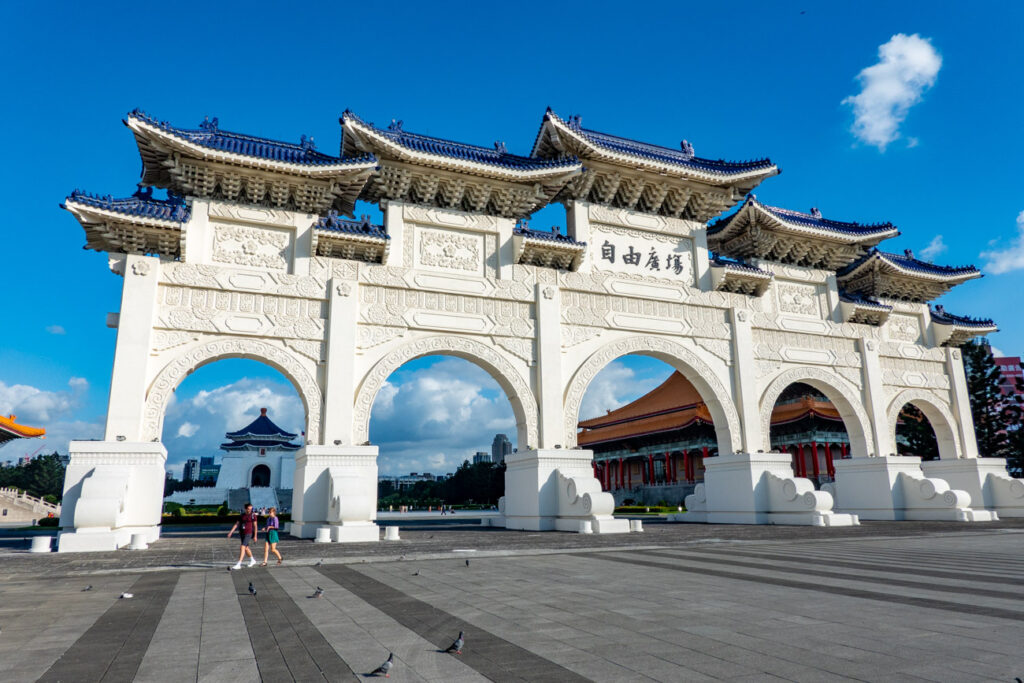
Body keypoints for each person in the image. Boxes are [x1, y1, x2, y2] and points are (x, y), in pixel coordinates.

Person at [228, 503, 259, 570]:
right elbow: (236, 524)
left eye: (251, 509)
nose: (250, 510)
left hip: (249, 533)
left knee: (242, 546)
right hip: (242, 533)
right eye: (248, 509)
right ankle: (252, 560)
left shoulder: (253, 515)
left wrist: (255, 536)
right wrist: (231, 532)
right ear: (245, 509)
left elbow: (255, 526)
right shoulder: (242, 515)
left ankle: (239, 563)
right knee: (246, 548)